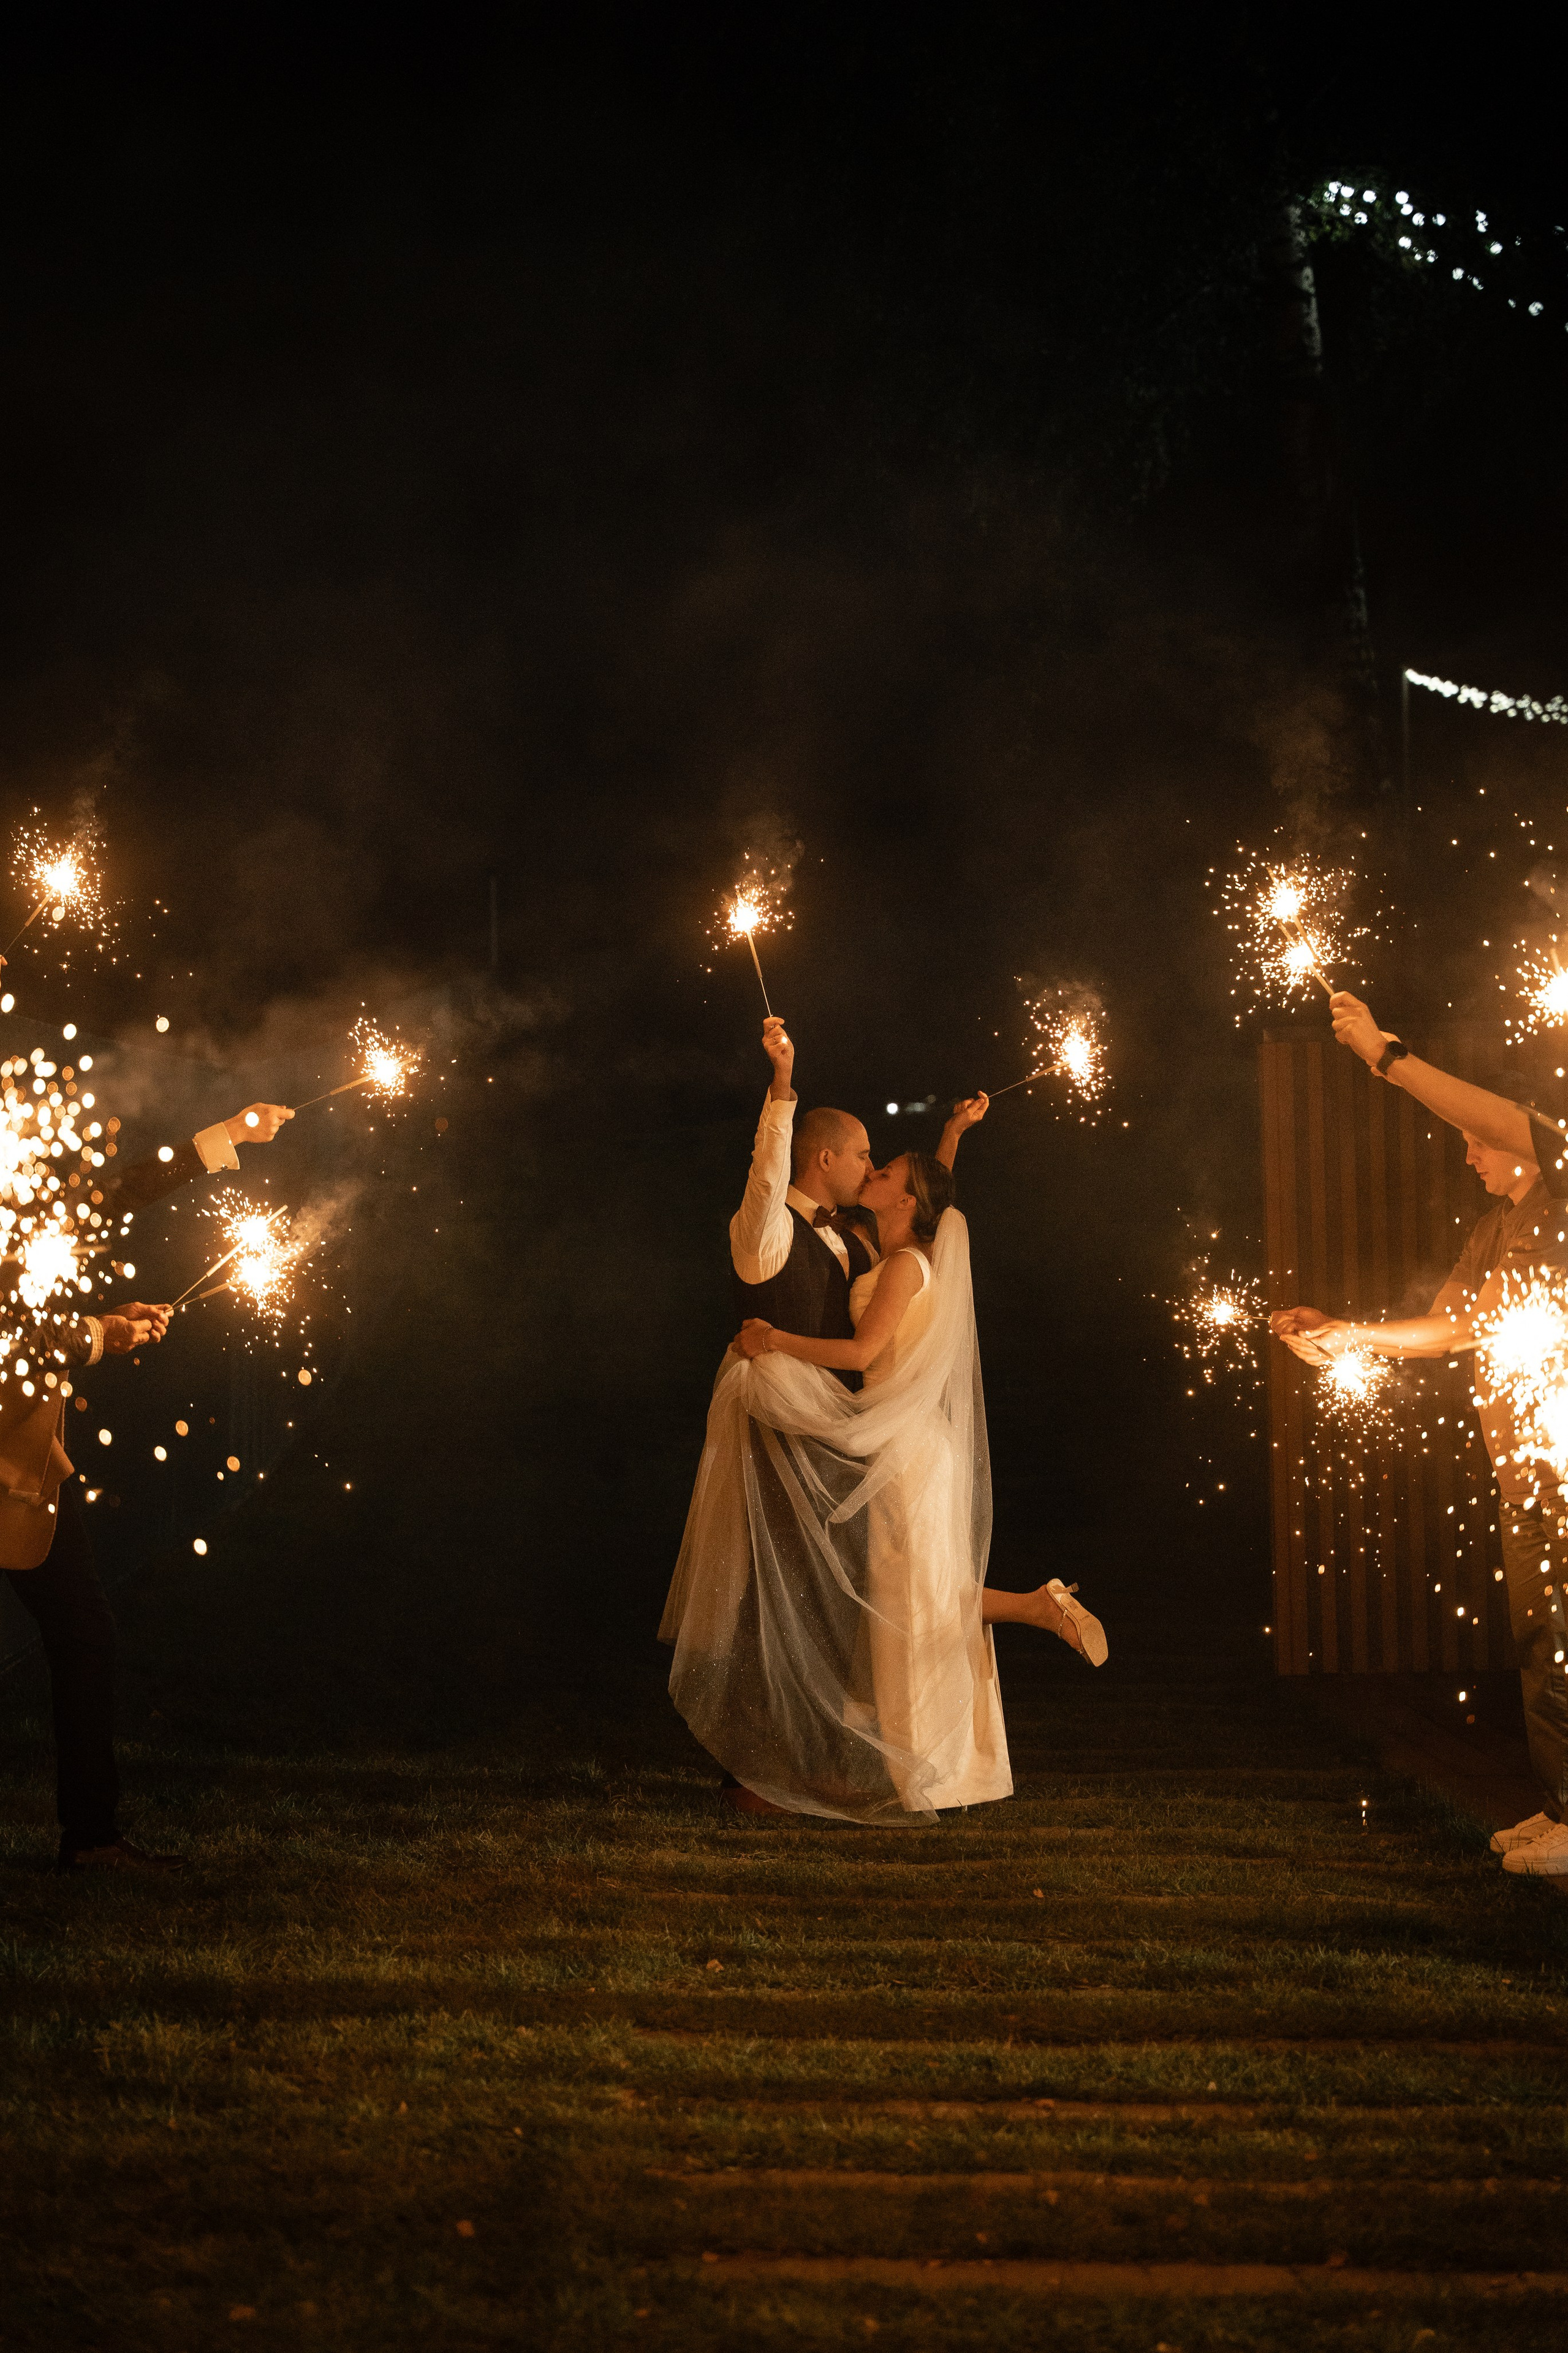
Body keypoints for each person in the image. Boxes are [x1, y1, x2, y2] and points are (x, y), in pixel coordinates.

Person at [660, 1023, 1105, 1822]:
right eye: (865, 1153)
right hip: (822, 1430)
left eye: (882, 1164)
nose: (874, 1165)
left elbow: (897, 1272)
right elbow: (800, 1184)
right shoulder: (809, 1236)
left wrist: (948, 1140)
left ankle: (867, 1749)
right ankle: (803, 1763)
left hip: (863, 1435)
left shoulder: (878, 1249)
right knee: (830, 1596)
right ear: (824, 1158)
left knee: (883, 1597)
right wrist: (798, 1089)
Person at [1276, 991, 1568, 1877]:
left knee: (1561, 1631)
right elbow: (1451, 1327)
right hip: (1519, 1464)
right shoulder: (1491, 1229)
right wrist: (1346, 1334)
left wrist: (1382, 1054)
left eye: (1480, 1138)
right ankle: (1561, 1805)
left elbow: (1495, 1113)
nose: (1468, 1148)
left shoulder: (1560, 1180)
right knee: (1538, 1635)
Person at [1, 1097, 294, 1872]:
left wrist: (222, 1140)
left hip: (22, 1464)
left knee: (84, 1631)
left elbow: (99, 1200)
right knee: (84, 1630)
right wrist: (104, 1334)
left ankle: (92, 1836)